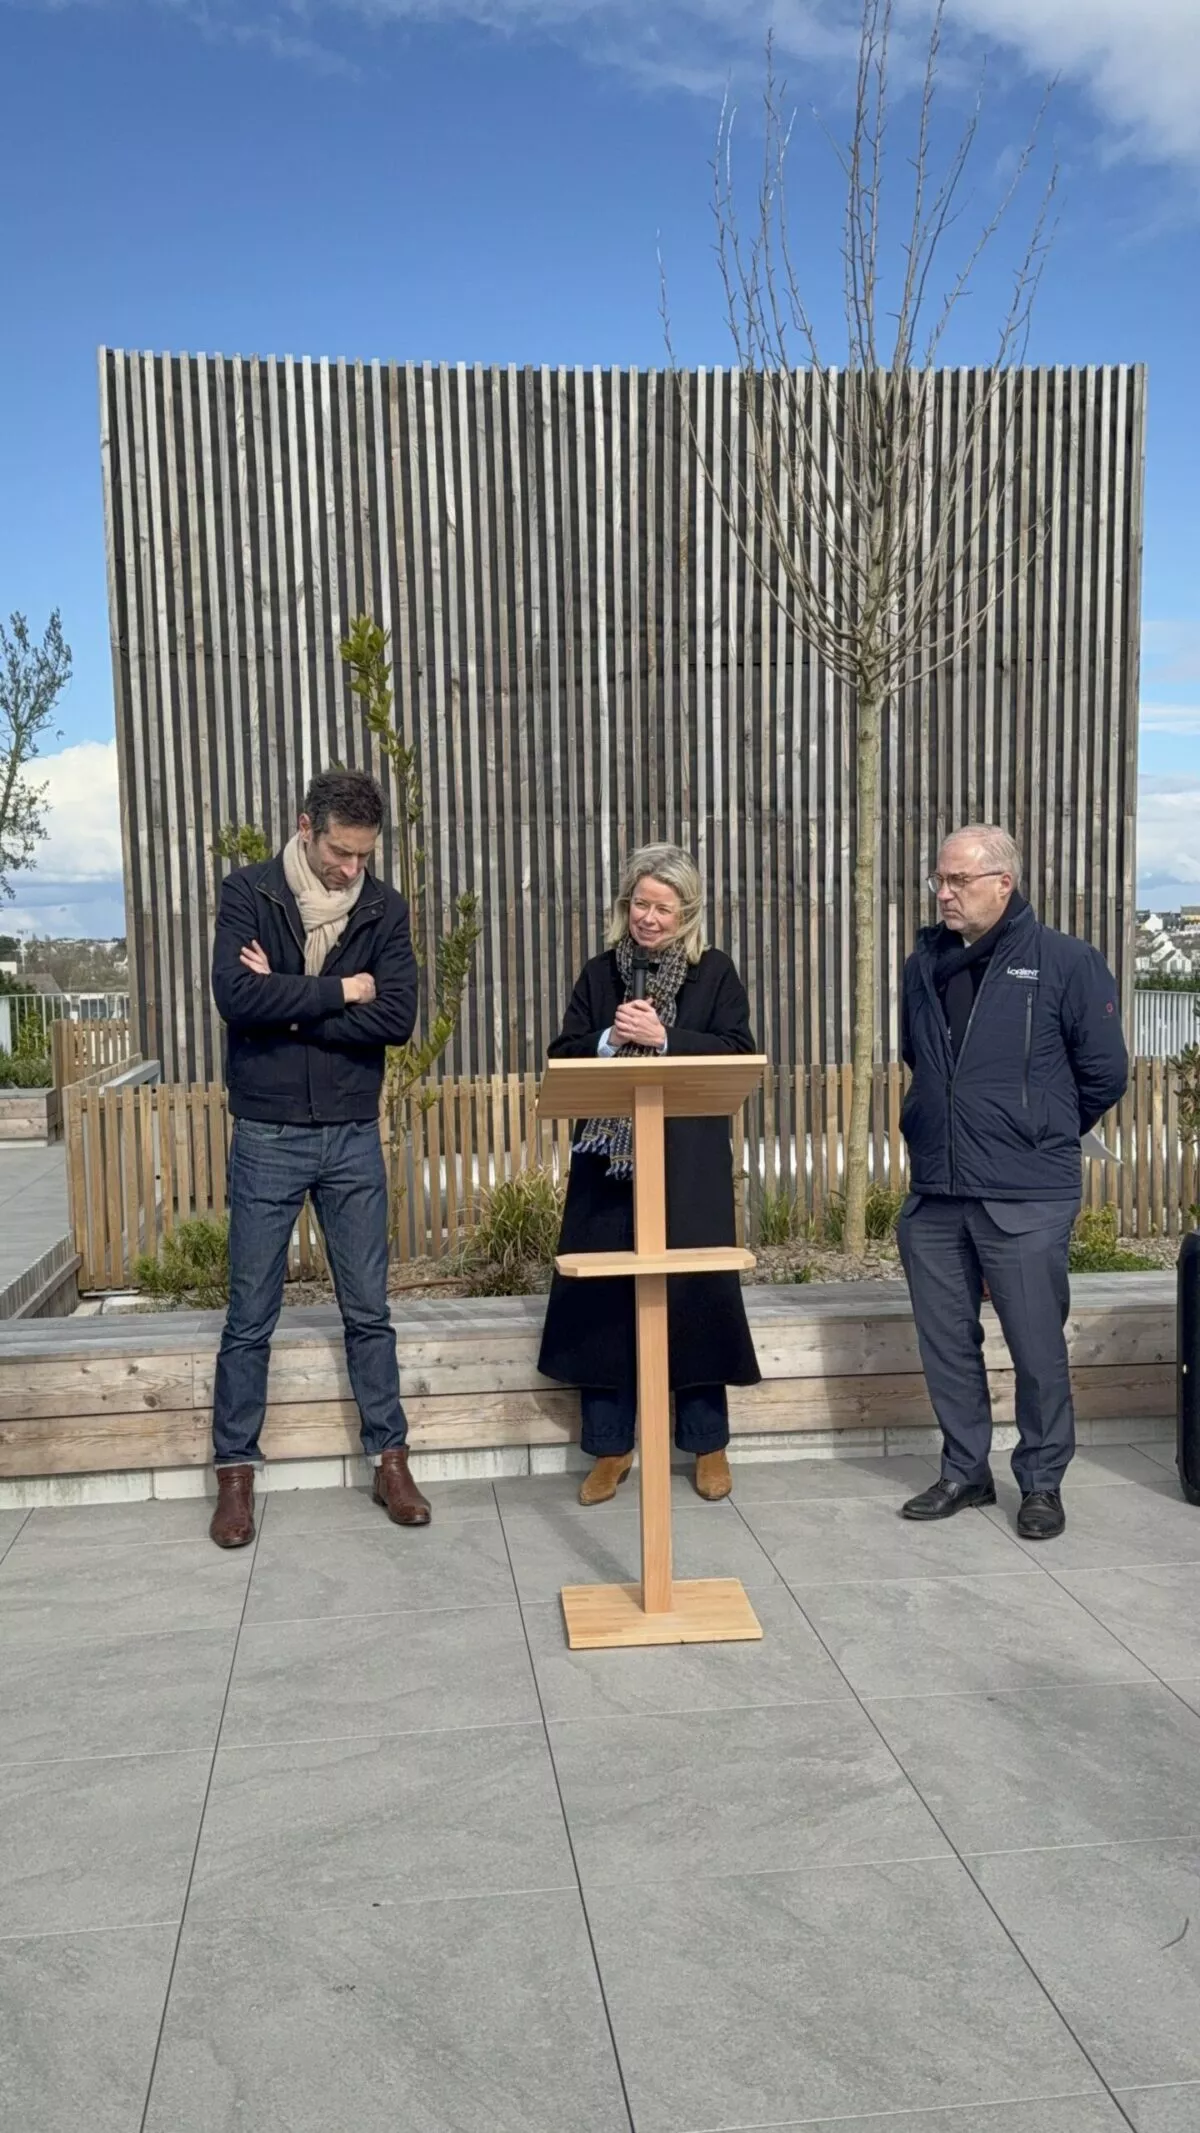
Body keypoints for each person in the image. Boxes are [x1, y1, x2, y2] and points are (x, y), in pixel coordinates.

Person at [206, 768, 430, 1547]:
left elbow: (397, 1018)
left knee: (370, 1310)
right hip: (266, 1132)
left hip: (350, 1134)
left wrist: (295, 998)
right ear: (306, 826)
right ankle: (234, 1474)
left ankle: (390, 1459)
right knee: (250, 1315)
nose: (350, 869)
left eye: (362, 855)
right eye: (339, 852)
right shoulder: (250, 892)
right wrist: (341, 993)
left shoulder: (383, 906)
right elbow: (236, 998)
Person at [897, 824, 1128, 1541]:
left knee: (1035, 1344)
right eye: (939, 879)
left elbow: (1105, 1073)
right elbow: (918, 1057)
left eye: (958, 881)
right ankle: (965, 1470)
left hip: (1027, 1193)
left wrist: (1040, 1126)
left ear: (1004, 882)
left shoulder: (1065, 961)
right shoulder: (921, 964)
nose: (943, 892)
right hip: (938, 1190)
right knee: (946, 1343)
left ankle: (1041, 1480)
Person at [537, 843, 761, 1505]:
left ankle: (708, 1442)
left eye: (664, 906)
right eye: (641, 903)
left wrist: (664, 1039)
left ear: (686, 912)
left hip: (685, 1165)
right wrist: (611, 1040)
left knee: (696, 1299)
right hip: (608, 1167)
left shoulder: (713, 973)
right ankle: (612, 1446)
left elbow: (737, 1049)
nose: (650, 918)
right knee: (604, 1306)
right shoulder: (599, 972)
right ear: (624, 904)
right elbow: (564, 1051)